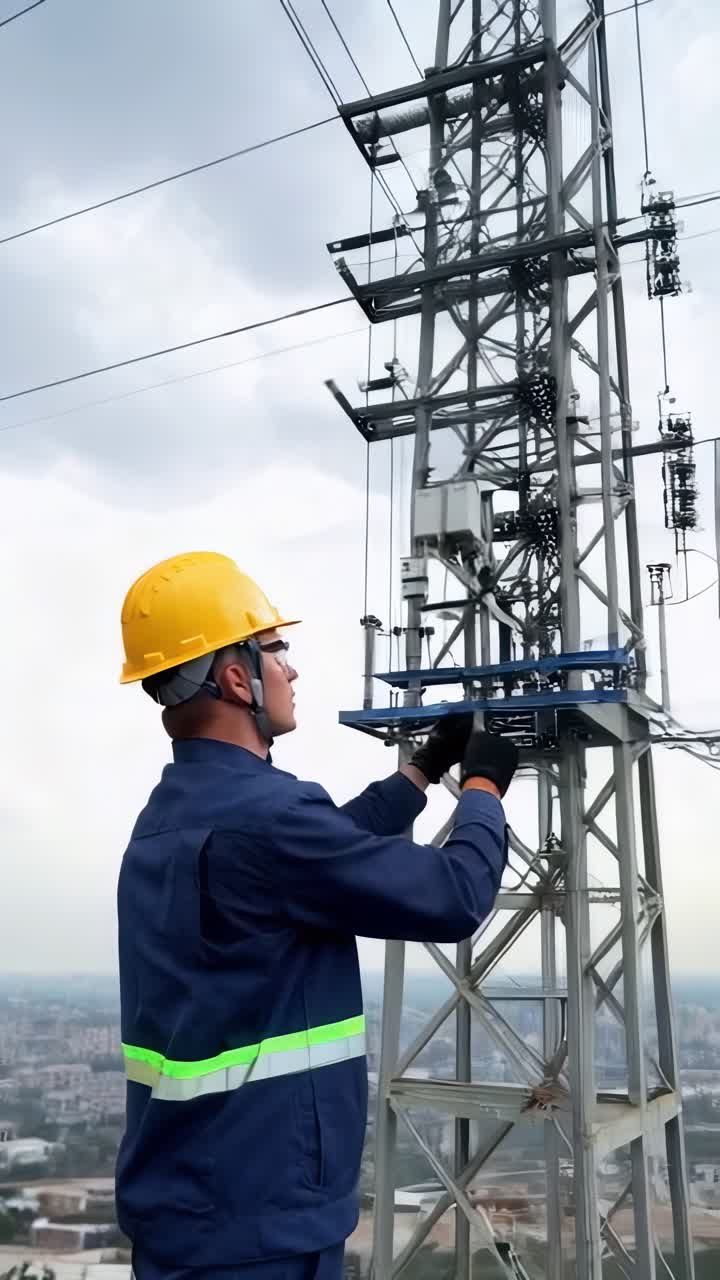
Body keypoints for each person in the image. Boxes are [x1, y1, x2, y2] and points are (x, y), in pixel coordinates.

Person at [115, 550, 518, 1280]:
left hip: (194, 1210)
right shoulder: (265, 820)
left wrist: (422, 771)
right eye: (275, 650)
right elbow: (455, 896)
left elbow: (320, 852)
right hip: (261, 1227)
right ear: (237, 677)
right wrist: (485, 789)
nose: (290, 670)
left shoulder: (172, 819)